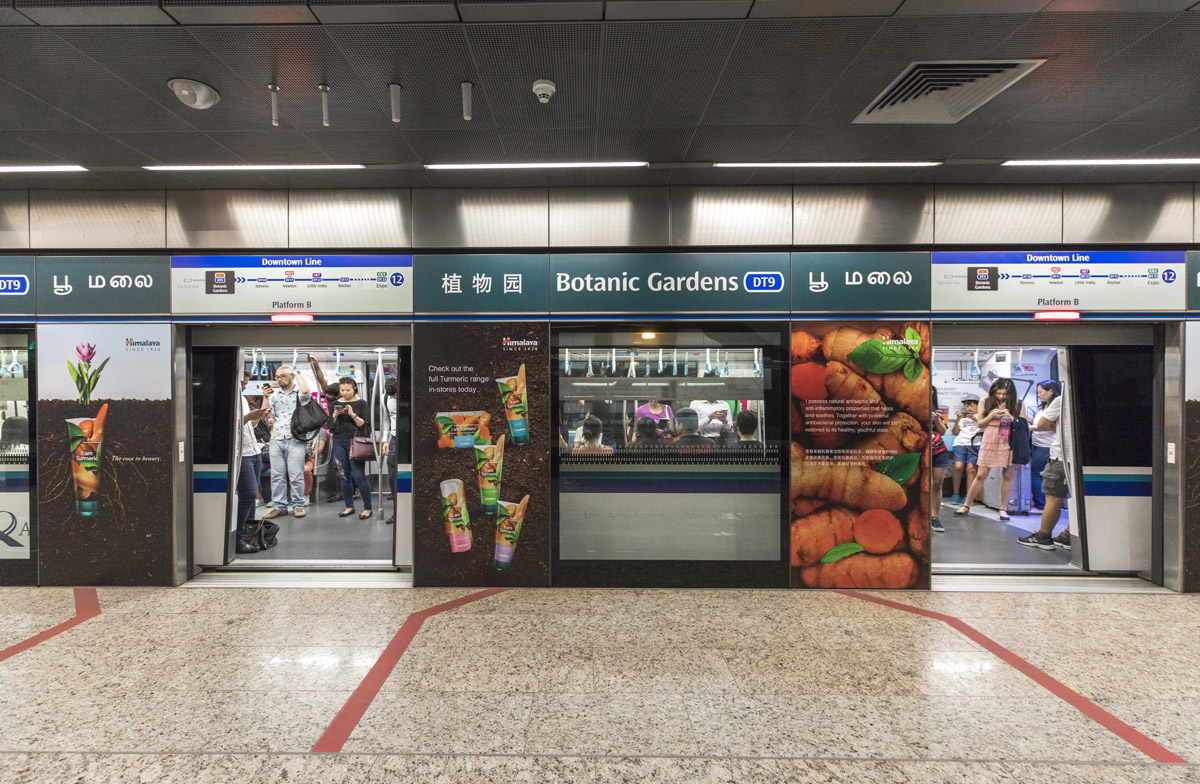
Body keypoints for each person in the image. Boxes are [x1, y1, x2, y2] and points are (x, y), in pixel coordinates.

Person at [954, 378, 1023, 521]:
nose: (1001, 396)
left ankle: (1003, 509)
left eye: (1005, 394)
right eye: (999, 393)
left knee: (1008, 474)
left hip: (1009, 439)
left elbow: (1021, 424)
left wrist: (1010, 417)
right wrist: (991, 416)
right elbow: (980, 424)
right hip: (989, 437)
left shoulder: (1018, 403)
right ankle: (966, 505)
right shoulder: (985, 401)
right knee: (981, 474)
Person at [1018, 388, 1071, 550]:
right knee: (1077, 500)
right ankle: (1068, 535)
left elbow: (1043, 425)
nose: (1039, 394)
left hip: (1062, 457)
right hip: (1080, 460)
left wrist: (1054, 423)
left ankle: (1043, 536)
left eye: (1041, 391)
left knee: (1054, 498)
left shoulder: (1061, 400)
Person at [264, 364, 311, 520]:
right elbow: (266, 415)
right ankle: (279, 506)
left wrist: (297, 372)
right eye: (277, 377)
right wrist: (265, 398)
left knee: (296, 475)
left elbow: (306, 390)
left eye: (282, 376)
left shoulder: (299, 394)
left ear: (291, 376)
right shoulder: (274, 395)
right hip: (276, 438)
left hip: (295, 438)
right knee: (276, 476)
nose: (279, 379)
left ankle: (298, 505)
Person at [235, 370, 271, 552]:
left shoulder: (242, 399)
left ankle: (249, 534)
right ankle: (238, 537)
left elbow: (249, 426)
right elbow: (231, 426)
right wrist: (248, 417)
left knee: (251, 496)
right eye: (242, 382)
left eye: (245, 383)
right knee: (248, 494)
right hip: (241, 453)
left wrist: (256, 418)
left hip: (254, 450)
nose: (244, 386)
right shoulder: (230, 400)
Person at [330, 376, 374, 519]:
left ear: (354, 388)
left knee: (359, 475)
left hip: (355, 442)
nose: (344, 393)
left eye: (347, 390)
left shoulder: (362, 404)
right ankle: (349, 506)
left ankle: (368, 508)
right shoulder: (335, 404)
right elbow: (330, 427)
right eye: (342, 390)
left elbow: (365, 426)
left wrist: (353, 414)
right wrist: (335, 415)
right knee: (344, 475)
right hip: (338, 441)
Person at [1029, 380, 1060, 510]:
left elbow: (1047, 426)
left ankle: (1042, 503)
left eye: (1041, 392)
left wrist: (1028, 428)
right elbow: (1038, 423)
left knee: (1035, 473)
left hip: (1046, 446)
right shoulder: (1043, 407)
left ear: (1050, 391)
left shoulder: (1055, 406)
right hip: (1037, 444)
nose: (1038, 395)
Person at [949, 395, 980, 505]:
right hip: (960, 443)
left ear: (978, 405)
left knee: (971, 469)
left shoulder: (982, 416)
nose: (969, 408)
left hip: (974, 444)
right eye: (966, 406)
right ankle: (955, 494)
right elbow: (955, 432)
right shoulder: (963, 418)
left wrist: (976, 420)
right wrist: (958, 420)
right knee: (958, 466)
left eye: (971, 405)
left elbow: (985, 428)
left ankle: (968, 496)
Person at [930, 387, 950, 533]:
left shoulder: (937, 411)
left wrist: (936, 419)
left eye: (931, 394)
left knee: (937, 484)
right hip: (921, 450)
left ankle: (934, 517)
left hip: (939, 450)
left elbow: (942, 431)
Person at [382, 378, 399, 525]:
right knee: (393, 473)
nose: (395, 397)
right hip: (395, 438)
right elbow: (386, 419)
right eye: (393, 396)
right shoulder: (385, 398)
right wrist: (384, 440)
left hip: (411, 437)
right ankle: (397, 512)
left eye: (396, 395)